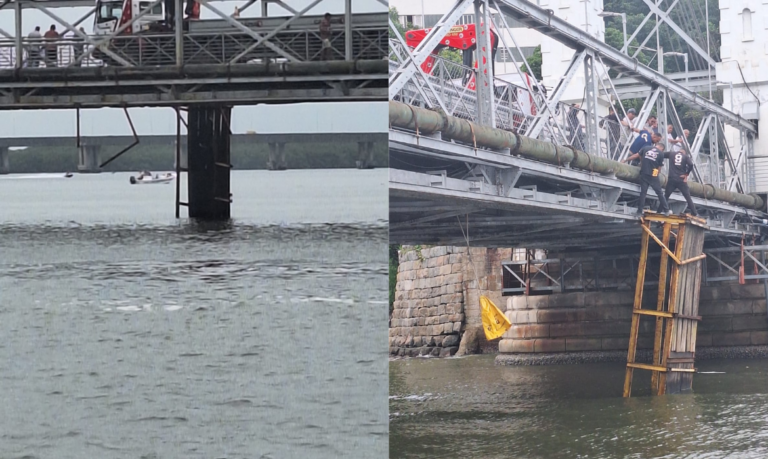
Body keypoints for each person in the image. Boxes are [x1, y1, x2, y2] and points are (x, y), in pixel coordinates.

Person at [623, 142, 671, 216]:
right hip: (652, 176)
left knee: (643, 193)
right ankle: (666, 210)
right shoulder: (661, 154)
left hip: (644, 173)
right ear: (662, 149)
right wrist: (655, 175)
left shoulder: (646, 148)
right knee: (659, 193)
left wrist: (625, 160)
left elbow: (636, 155)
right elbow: (659, 167)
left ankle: (639, 212)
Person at [664, 147, 698, 216]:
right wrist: (686, 174)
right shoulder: (685, 157)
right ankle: (694, 213)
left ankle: (660, 210)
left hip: (672, 179)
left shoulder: (672, 154)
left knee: (666, 196)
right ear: (684, 153)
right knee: (687, 197)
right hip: (681, 179)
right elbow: (691, 164)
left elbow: (662, 154)